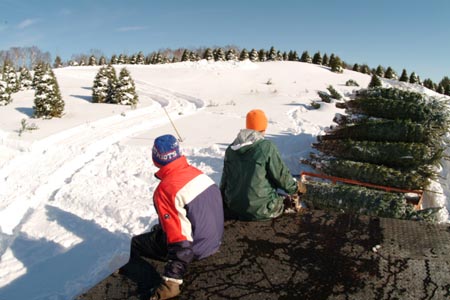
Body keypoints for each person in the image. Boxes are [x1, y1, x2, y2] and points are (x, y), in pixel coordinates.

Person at [127, 134, 224, 300]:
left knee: (136, 244)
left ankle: (137, 278)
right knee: (164, 227)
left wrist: (171, 281)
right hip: (215, 240)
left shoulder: (165, 190)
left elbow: (180, 240)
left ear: (155, 158)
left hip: (197, 248)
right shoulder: (199, 174)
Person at [220, 109, 299, 221]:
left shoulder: (231, 149)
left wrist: (222, 203)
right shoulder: (266, 147)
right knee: (283, 200)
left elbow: (225, 181)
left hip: (234, 207)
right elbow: (281, 176)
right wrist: (295, 188)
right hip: (262, 209)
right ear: (263, 128)